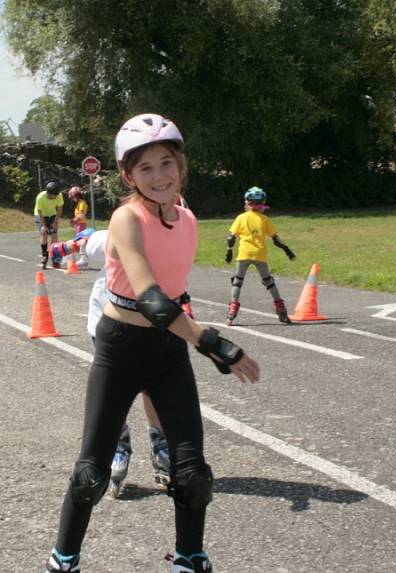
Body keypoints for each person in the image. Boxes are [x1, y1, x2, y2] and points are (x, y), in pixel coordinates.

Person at [44, 113, 260, 573]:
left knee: (193, 474)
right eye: (146, 168)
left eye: (167, 163)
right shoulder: (127, 218)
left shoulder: (187, 219)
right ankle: (63, 562)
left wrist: (193, 338)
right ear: (128, 175)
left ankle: (189, 560)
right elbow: (152, 300)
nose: (159, 175)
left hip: (167, 353)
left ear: (181, 165)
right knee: (90, 476)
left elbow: (175, 293)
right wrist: (212, 342)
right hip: (121, 347)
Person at [81, 228, 174, 498]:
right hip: (109, 325)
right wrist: (76, 243)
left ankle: (160, 443)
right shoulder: (116, 233)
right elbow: (90, 245)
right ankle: (117, 445)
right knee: (114, 390)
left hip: (154, 323)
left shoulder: (176, 237)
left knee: (151, 387)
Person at [224, 186, 297, 326]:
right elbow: (276, 239)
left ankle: (232, 311)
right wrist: (288, 251)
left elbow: (231, 237)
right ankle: (281, 310)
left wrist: (229, 251)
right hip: (260, 254)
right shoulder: (265, 219)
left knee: (237, 281)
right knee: (269, 281)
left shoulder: (241, 218)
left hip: (244, 254)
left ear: (247, 202)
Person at [34, 181, 65, 269]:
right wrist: (44, 225)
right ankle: (44, 254)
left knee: (54, 235)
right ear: (49, 193)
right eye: (53, 195)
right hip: (40, 215)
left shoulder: (59, 195)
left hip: (52, 214)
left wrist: (55, 222)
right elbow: (39, 212)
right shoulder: (40, 197)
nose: (55, 197)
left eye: (56, 195)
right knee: (44, 232)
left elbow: (59, 209)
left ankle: (54, 256)